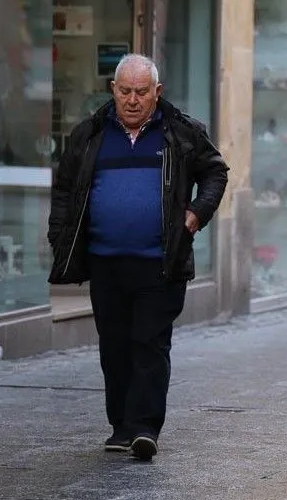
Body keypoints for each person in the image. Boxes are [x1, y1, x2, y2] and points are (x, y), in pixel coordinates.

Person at [47, 54, 229, 460]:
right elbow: (64, 190)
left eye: (141, 92)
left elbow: (216, 172)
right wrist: (60, 238)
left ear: (157, 92)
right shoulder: (89, 134)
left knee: (149, 342)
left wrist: (196, 215)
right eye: (124, 91)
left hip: (160, 260)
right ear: (113, 90)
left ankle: (145, 427)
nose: (132, 100)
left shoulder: (181, 132)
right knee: (114, 346)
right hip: (105, 261)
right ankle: (120, 426)